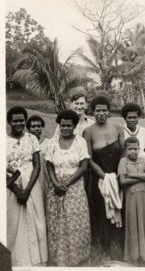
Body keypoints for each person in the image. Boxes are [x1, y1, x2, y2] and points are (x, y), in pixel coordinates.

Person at [45, 109, 91, 266]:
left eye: (68, 126)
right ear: (59, 125)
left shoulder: (80, 142)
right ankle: (58, 257)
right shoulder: (52, 142)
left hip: (75, 187)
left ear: (74, 126)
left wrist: (67, 183)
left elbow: (84, 166)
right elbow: (49, 165)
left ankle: (76, 257)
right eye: (62, 125)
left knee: (73, 221)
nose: (65, 128)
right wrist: (56, 183)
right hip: (55, 188)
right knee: (56, 222)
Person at [83, 95, 125, 260]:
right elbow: (88, 158)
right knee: (102, 211)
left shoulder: (118, 128)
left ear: (109, 112)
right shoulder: (88, 132)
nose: (101, 113)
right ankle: (106, 249)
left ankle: (121, 246)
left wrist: (119, 175)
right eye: (97, 110)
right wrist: (105, 177)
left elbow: (124, 152)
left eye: (104, 110)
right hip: (99, 177)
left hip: (118, 174)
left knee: (120, 207)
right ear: (92, 112)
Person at [6, 106, 48, 266]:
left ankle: (36, 262)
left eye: (21, 120)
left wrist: (28, 190)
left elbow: (37, 165)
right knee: (13, 223)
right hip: (11, 187)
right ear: (9, 122)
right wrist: (17, 191)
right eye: (15, 120)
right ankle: (17, 261)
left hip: (31, 185)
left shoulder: (32, 139)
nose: (19, 123)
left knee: (35, 220)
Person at [118, 136, 145, 265]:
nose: (133, 151)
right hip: (132, 198)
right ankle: (134, 255)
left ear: (139, 149)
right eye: (130, 149)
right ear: (126, 150)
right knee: (133, 225)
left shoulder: (143, 160)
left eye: (135, 148)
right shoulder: (123, 161)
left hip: (144, 198)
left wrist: (132, 175)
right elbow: (123, 181)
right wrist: (142, 178)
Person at [26, 115, 49, 198]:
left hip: (44, 178)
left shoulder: (48, 143)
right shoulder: (25, 144)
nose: (36, 128)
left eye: (39, 126)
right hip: (29, 178)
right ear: (28, 128)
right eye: (33, 126)